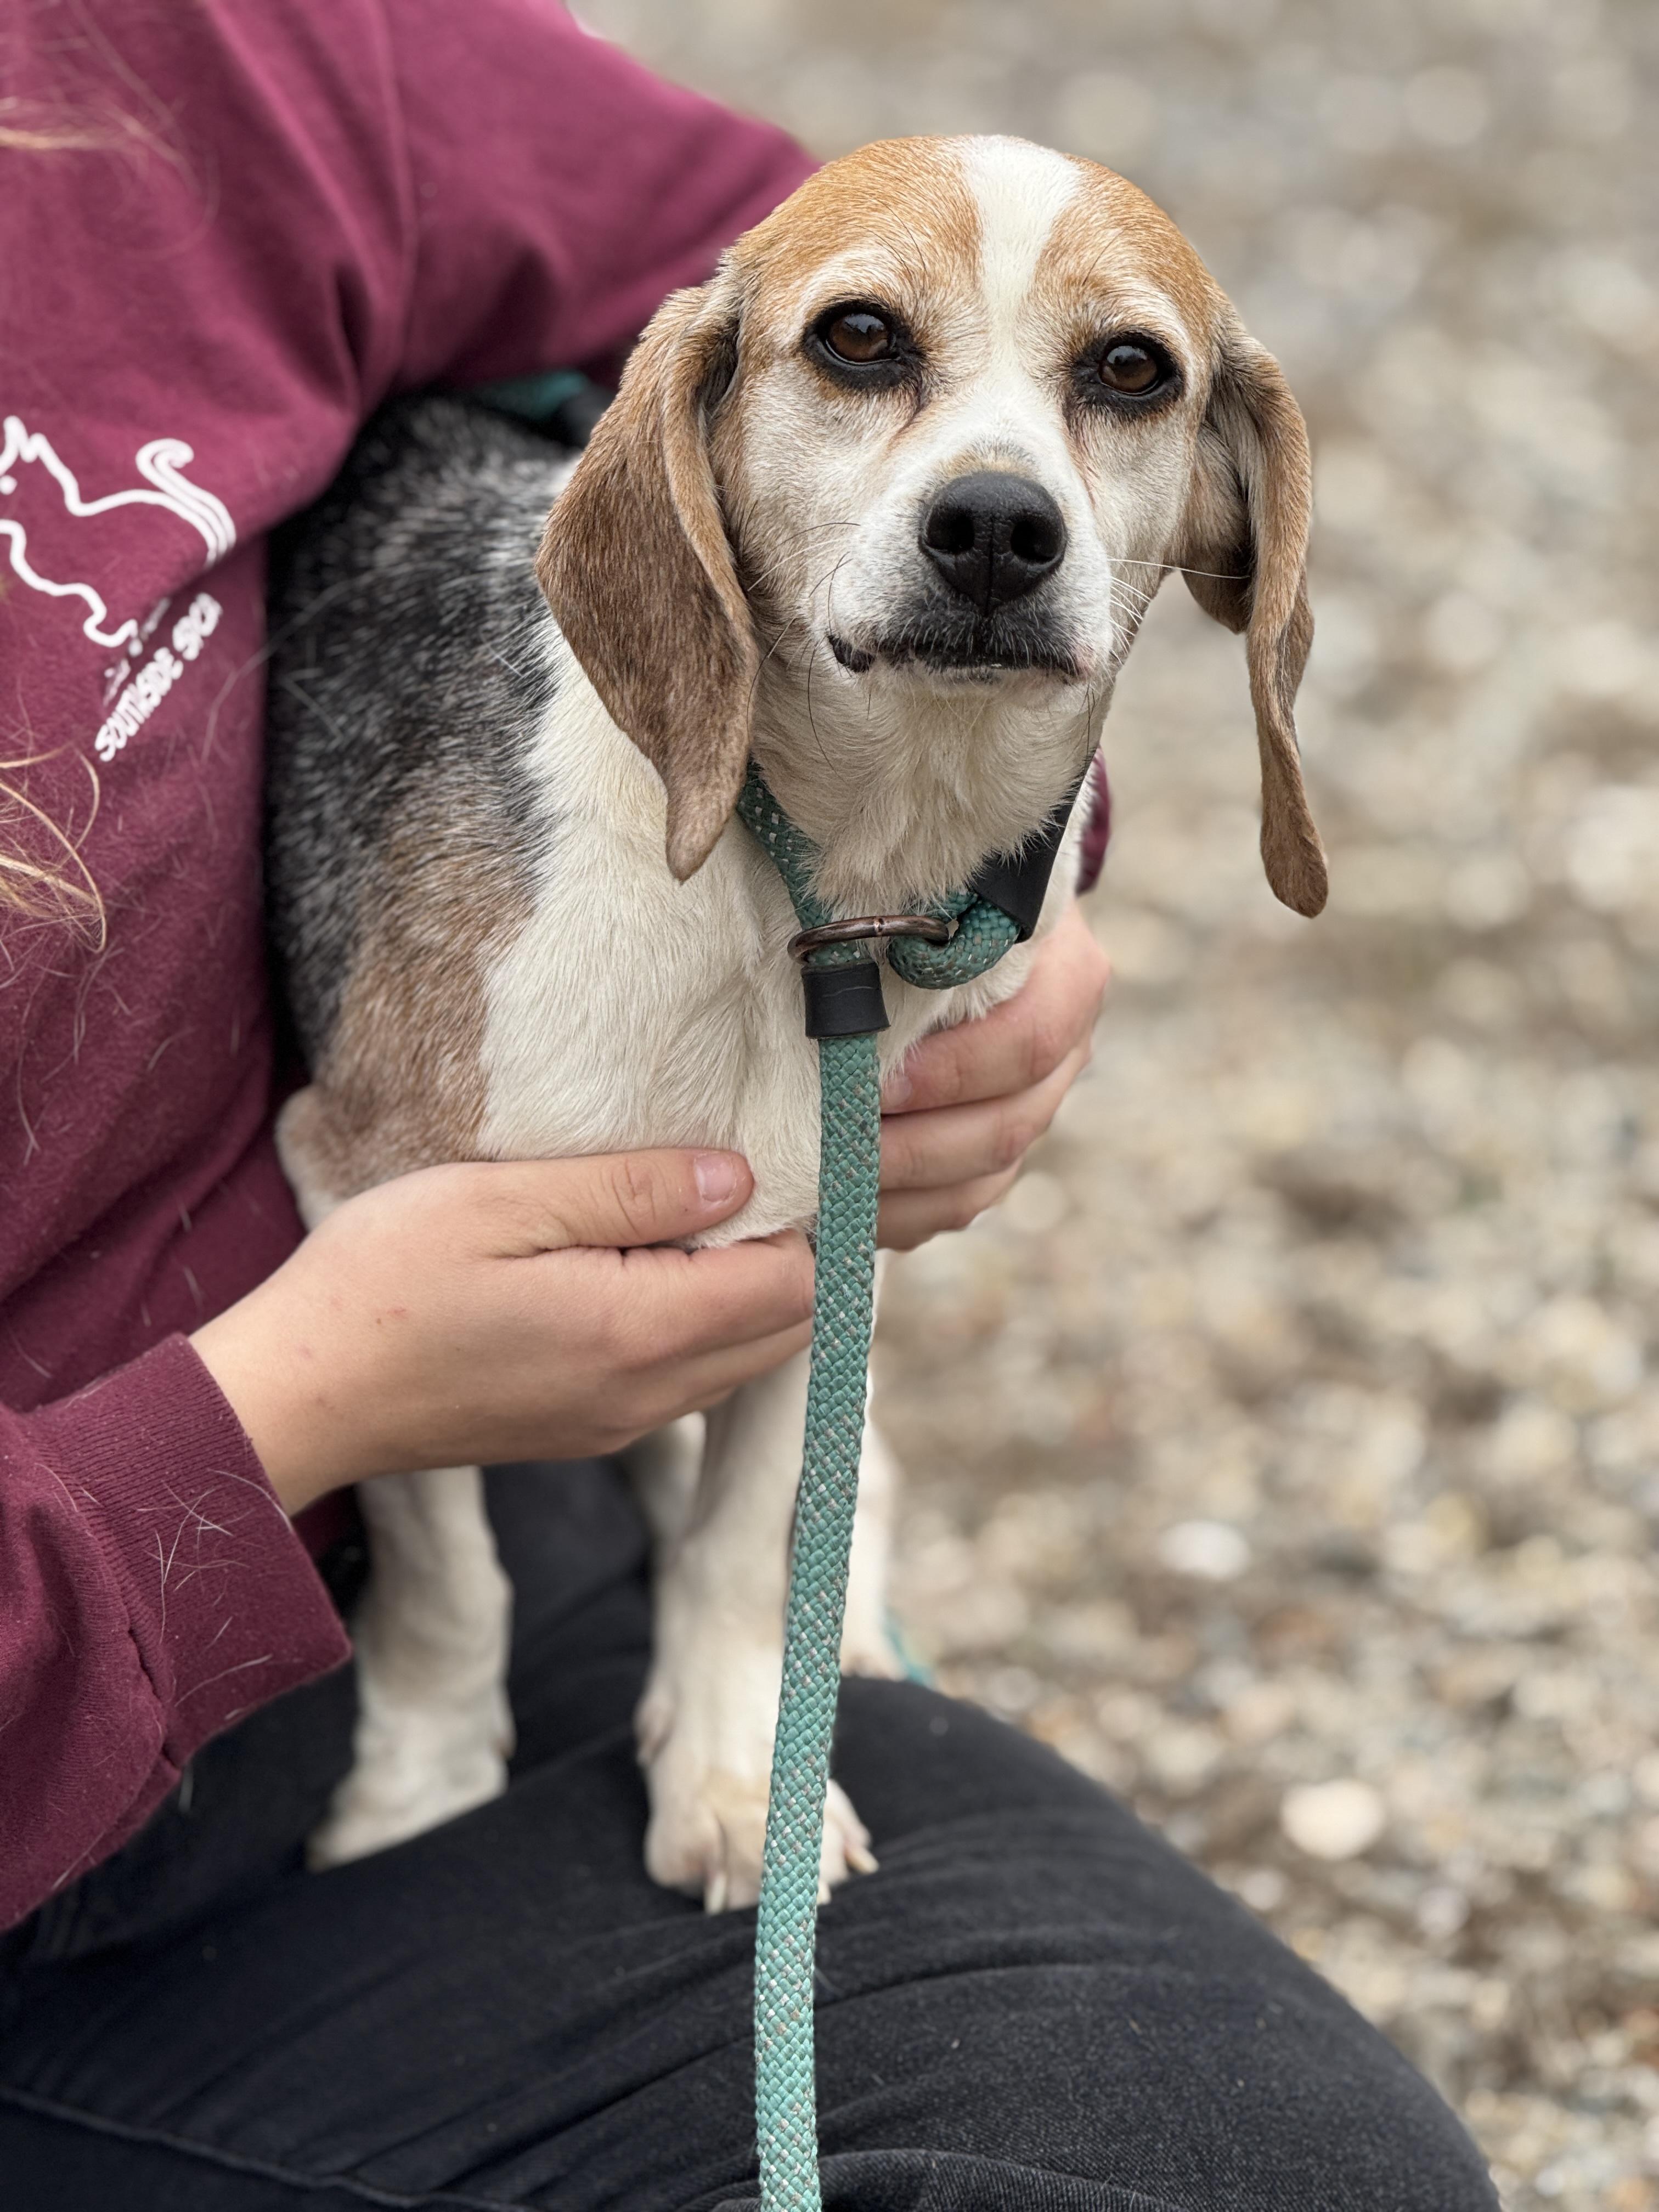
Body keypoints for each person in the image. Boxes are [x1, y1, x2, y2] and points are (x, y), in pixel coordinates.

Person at [0, 4, 1498, 2205]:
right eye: (881, 366)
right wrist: (307, 1427)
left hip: (517, 1437)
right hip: (111, 1766)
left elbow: (762, 266)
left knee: (1272, 2171)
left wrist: (997, 872)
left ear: (1226, 511)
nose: (995, 489)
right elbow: (368, 1166)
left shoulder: (194, 39)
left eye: (1124, 389)